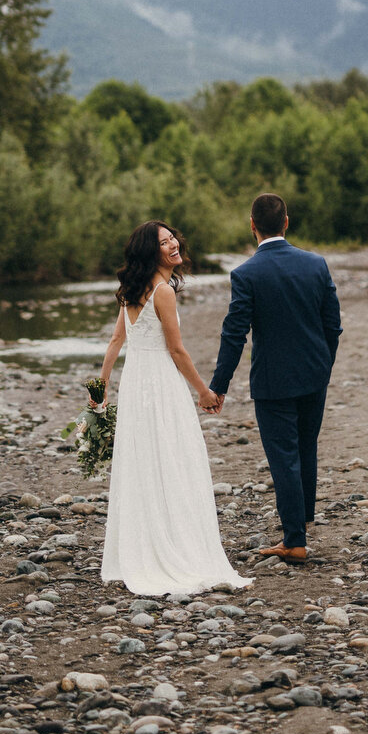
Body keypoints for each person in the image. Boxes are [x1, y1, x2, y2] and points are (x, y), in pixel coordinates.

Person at [96, 219, 252, 596]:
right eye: (164, 242)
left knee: (145, 461)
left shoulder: (131, 290)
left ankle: (142, 544)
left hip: (135, 382)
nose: (173, 245)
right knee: (175, 457)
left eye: (173, 239)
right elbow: (176, 350)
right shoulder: (163, 291)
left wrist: (100, 387)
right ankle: (173, 546)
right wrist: (203, 391)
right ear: (152, 252)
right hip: (161, 383)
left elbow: (117, 340)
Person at [208, 193, 341, 564]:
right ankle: (303, 518)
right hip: (315, 374)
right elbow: (333, 325)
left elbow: (235, 334)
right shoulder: (316, 264)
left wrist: (219, 386)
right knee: (305, 446)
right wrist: (323, 365)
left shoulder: (246, 274)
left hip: (272, 381)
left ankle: (295, 539)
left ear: (252, 226)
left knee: (284, 456)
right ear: (287, 222)